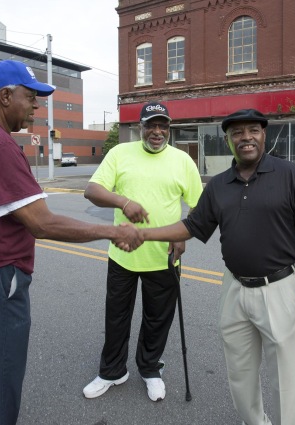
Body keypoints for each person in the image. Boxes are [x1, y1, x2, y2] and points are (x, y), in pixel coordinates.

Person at [0, 59, 143, 424]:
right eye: (30, 97)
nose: (36, 106)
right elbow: (42, 223)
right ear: (5, 96)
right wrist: (115, 231)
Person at [142, 108, 295, 425]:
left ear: (264, 134)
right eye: (237, 133)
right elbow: (192, 226)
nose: (246, 137)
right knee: (240, 376)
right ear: (228, 140)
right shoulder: (218, 185)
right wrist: (144, 234)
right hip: (233, 289)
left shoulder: (289, 175)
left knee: (286, 380)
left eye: (253, 130)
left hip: (278, 288)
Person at [82, 101, 203, 402]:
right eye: (151, 125)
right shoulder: (119, 153)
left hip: (164, 257)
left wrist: (184, 234)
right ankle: (112, 371)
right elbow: (92, 191)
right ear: (140, 128)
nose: (157, 131)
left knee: (158, 318)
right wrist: (124, 202)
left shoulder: (182, 160)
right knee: (116, 317)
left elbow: (200, 207)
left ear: (169, 129)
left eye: (163, 126)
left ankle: (150, 369)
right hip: (122, 255)